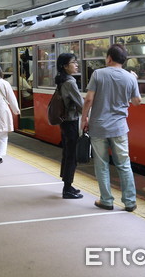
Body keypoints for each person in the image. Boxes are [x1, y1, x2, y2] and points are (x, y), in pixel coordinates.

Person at [81, 44, 142, 212]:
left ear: (109, 58)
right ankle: (130, 202)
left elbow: (88, 99)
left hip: (98, 127)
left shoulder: (98, 74)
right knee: (124, 164)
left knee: (102, 165)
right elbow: (137, 102)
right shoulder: (130, 78)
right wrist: (134, 81)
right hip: (120, 128)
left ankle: (106, 200)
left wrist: (84, 118)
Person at [55, 53, 85, 199]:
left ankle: (68, 185)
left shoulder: (62, 80)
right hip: (71, 122)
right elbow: (81, 104)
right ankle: (67, 188)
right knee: (71, 155)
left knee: (67, 153)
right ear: (65, 66)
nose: (77, 64)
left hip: (65, 122)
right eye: (74, 62)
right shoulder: (70, 82)